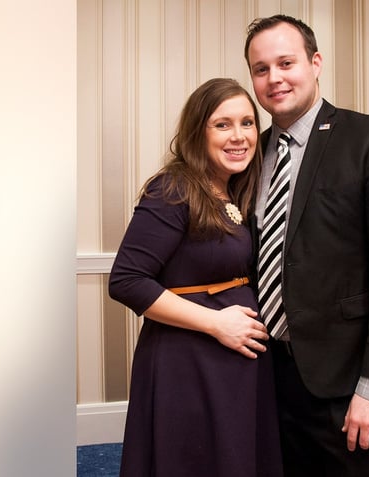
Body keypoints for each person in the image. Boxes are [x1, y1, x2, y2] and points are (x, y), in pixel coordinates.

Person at [244, 15, 369, 477]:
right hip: (267, 376)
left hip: (347, 384)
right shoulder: (251, 154)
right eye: (261, 69)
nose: (274, 78)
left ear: (316, 62)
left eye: (286, 62)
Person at [108, 78, 283, 477]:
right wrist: (217, 323)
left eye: (247, 123)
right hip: (187, 364)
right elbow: (127, 279)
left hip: (231, 365)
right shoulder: (173, 188)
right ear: (196, 131)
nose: (239, 136)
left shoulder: (233, 191)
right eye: (222, 125)